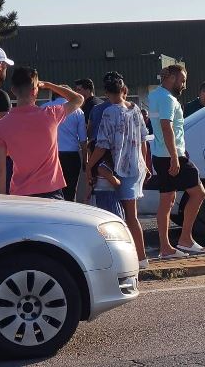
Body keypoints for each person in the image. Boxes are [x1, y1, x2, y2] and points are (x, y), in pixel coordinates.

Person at [88, 72, 150, 269]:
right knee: (132, 216)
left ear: (106, 93)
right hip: (136, 166)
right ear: (124, 90)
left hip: (118, 167)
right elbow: (143, 139)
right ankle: (141, 257)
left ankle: (133, 258)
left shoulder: (109, 112)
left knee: (120, 218)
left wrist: (89, 165)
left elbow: (102, 144)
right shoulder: (136, 109)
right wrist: (145, 163)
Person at [0, 67, 84, 198]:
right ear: (35, 90)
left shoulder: (2, 125)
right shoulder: (51, 114)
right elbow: (78, 99)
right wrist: (49, 85)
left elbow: (0, 170)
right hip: (51, 191)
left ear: (13, 90)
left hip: (20, 194)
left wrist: (1, 200)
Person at [149, 65, 205, 258]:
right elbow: (166, 127)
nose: (184, 85)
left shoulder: (154, 95)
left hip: (160, 154)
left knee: (167, 200)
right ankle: (185, 239)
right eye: (182, 80)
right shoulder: (167, 99)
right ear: (172, 78)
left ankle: (166, 247)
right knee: (199, 193)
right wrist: (175, 157)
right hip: (172, 156)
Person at [42, 87, 87, 201]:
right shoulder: (78, 111)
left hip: (51, 155)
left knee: (51, 191)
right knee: (70, 191)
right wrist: (85, 159)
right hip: (72, 155)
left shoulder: (44, 108)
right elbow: (83, 139)